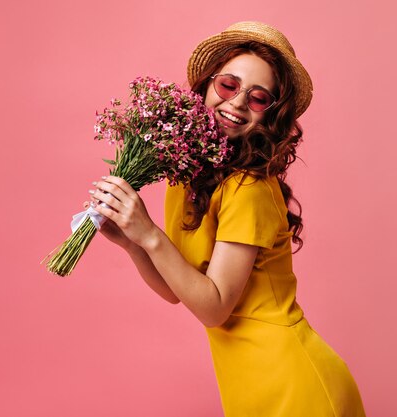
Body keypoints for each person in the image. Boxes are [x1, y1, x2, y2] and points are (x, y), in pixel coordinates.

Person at [87, 21, 366, 417]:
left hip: (293, 385)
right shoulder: (187, 178)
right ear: (205, 85)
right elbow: (176, 289)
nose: (236, 104)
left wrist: (148, 233)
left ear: (271, 114)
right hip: (249, 385)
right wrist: (131, 241)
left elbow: (213, 308)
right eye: (228, 86)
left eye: (257, 98)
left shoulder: (249, 188)